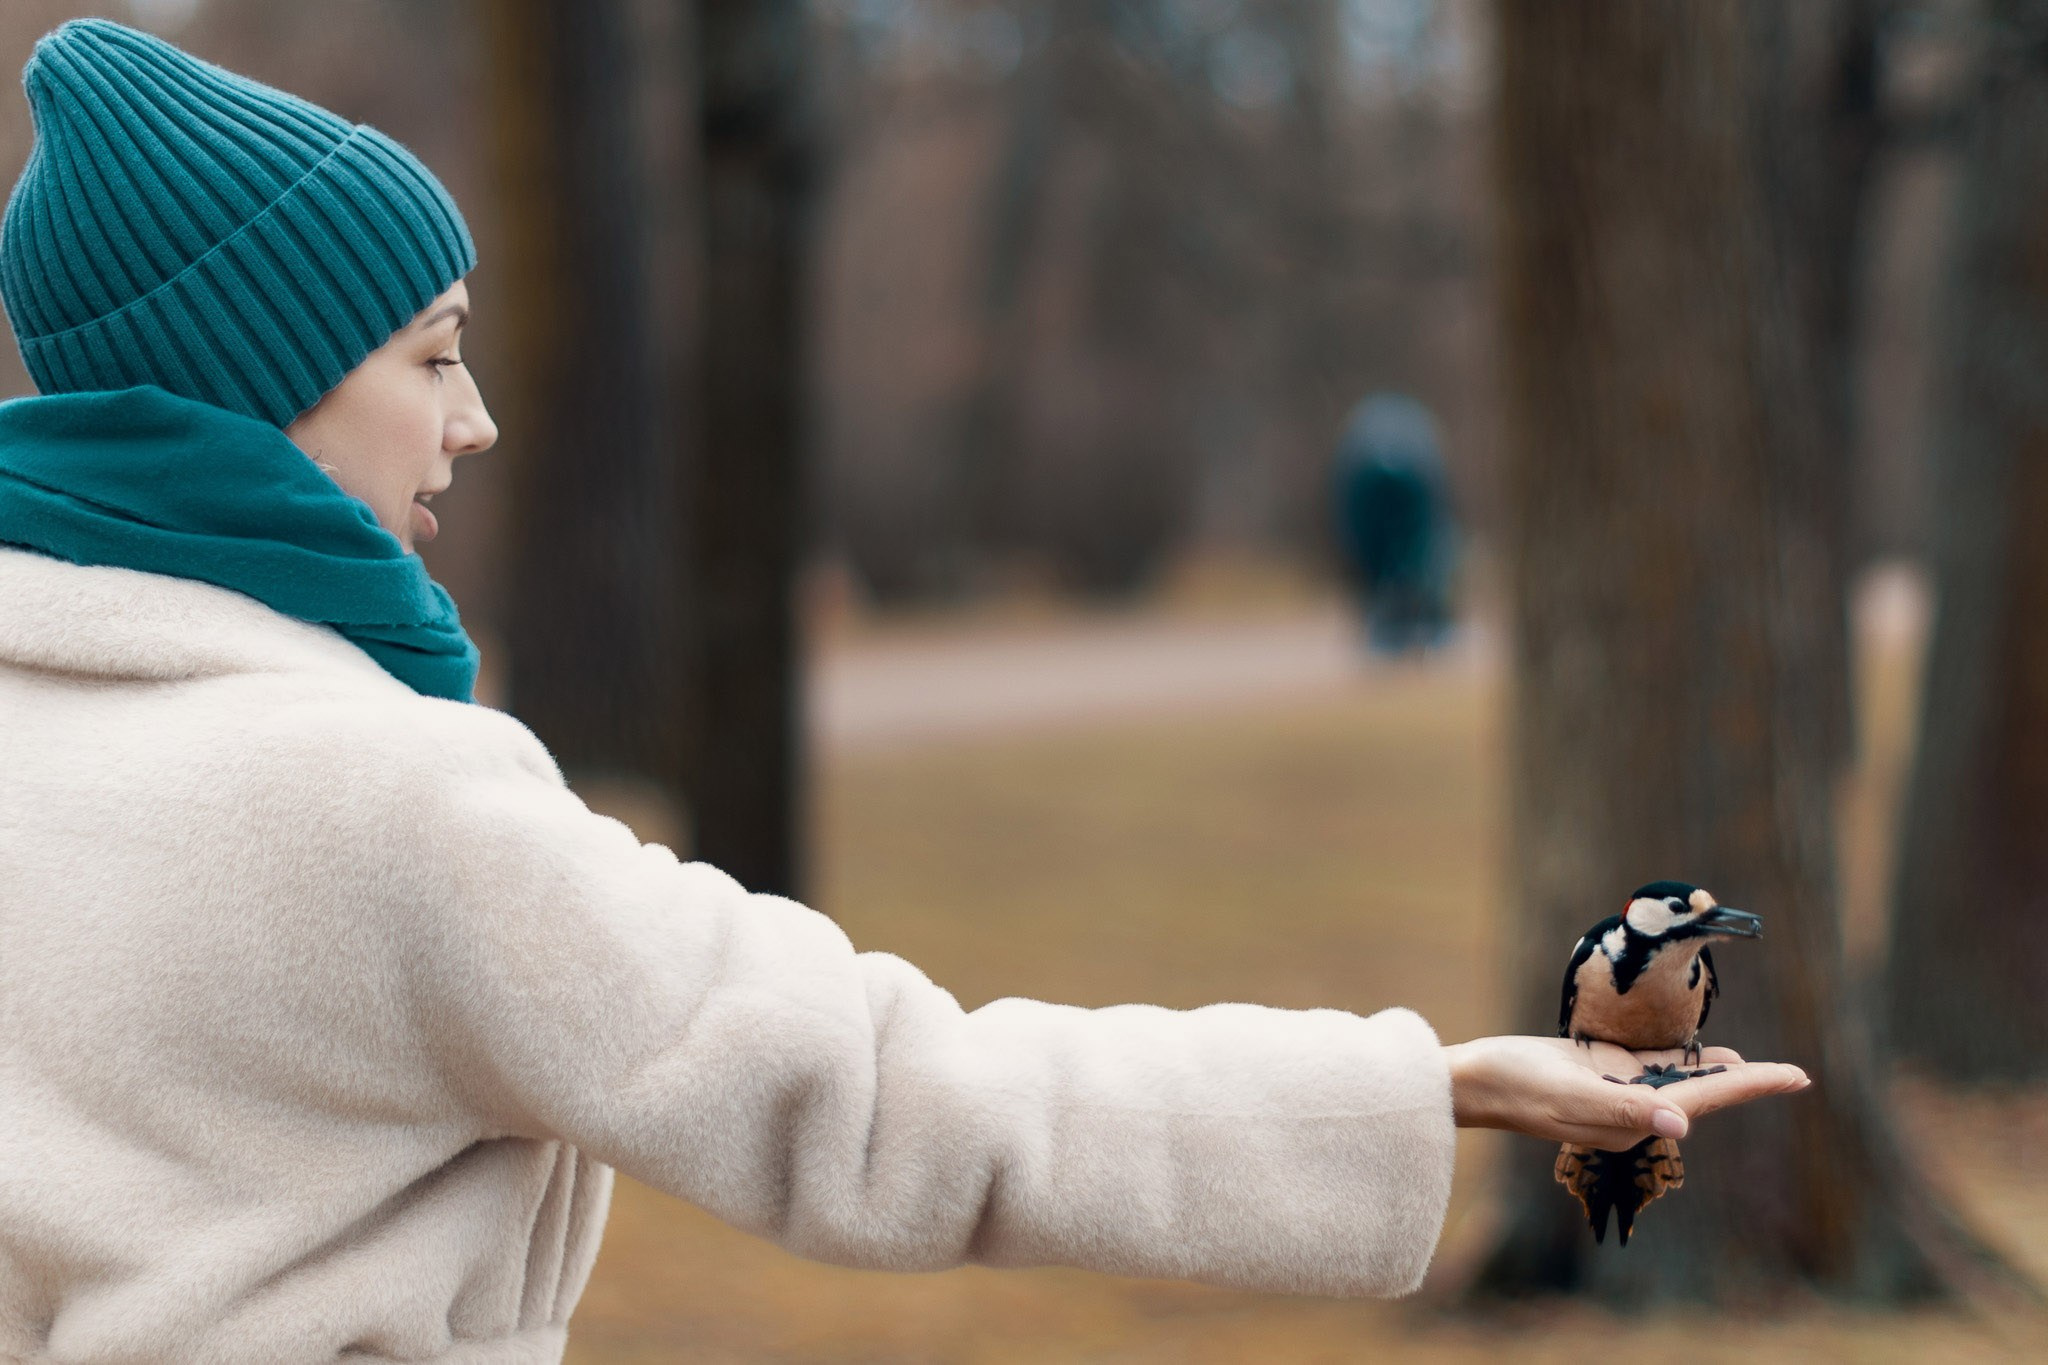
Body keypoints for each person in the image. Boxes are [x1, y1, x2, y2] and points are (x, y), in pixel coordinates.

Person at [0, 20, 1808, 1363]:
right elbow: (896, 1104)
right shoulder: (385, 804)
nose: (471, 418)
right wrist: (1431, 1092)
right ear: (258, 381)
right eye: (431, 357)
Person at [1330, 392, 1460, 655]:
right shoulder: (1406, 453)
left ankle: (1411, 620)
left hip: (1393, 506)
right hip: (1390, 508)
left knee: (1413, 561)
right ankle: (1405, 621)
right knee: (1411, 562)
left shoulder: (1375, 453)